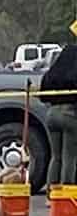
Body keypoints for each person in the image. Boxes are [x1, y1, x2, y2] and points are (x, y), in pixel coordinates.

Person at [40, 43, 77, 187]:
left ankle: (51, 193)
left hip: (52, 114)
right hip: (70, 114)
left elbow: (43, 96)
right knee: (70, 156)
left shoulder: (53, 72)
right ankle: (66, 192)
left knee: (56, 156)